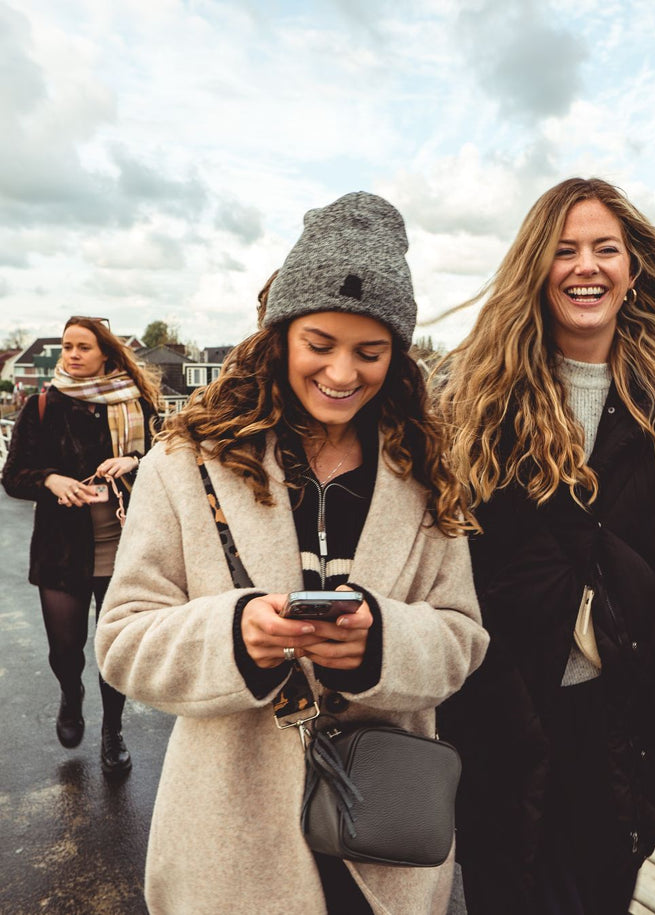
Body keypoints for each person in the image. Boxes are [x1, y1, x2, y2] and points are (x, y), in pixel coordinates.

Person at [94, 192, 489, 915]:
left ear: (396, 355)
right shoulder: (185, 463)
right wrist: (234, 635)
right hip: (227, 849)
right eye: (320, 344)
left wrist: (381, 644)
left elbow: (462, 638)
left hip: (385, 852)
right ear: (278, 335)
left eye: (370, 352)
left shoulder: (426, 474)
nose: (343, 373)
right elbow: (122, 640)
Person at [434, 177, 655, 914]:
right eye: (564, 250)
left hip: (622, 721)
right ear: (536, 268)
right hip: (502, 709)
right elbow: (439, 535)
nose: (586, 266)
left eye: (606, 248)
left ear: (632, 268)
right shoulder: (477, 393)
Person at [2, 316, 162, 776]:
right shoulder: (42, 406)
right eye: (67, 346)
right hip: (61, 551)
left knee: (113, 649)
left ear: (105, 355)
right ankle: (71, 695)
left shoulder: (140, 404)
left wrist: (133, 461)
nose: (71, 354)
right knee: (65, 649)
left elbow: (171, 457)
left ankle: (113, 731)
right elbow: (12, 476)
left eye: (83, 347)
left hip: (125, 547)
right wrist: (50, 480)